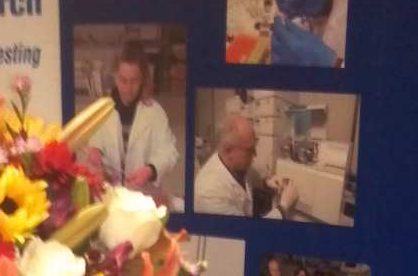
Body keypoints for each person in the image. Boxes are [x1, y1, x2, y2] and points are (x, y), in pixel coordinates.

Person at [86, 40, 179, 190]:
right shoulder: (102, 110)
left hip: (142, 194)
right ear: (115, 77)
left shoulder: (155, 113)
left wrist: (150, 170)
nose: (128, 88)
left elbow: (170, 152)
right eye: (123, 80)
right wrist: (95, 150)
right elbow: (95, 142)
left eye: (134, 81)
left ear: (143, 79)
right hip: (110, 192)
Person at [194, 113, 298, 218]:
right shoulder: (209, 192)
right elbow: (245, 228)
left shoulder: (235, 164)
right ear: (228, 151)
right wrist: (283, 207)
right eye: (249, 150)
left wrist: (266, 182)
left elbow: (250, 177)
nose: (255, 154)